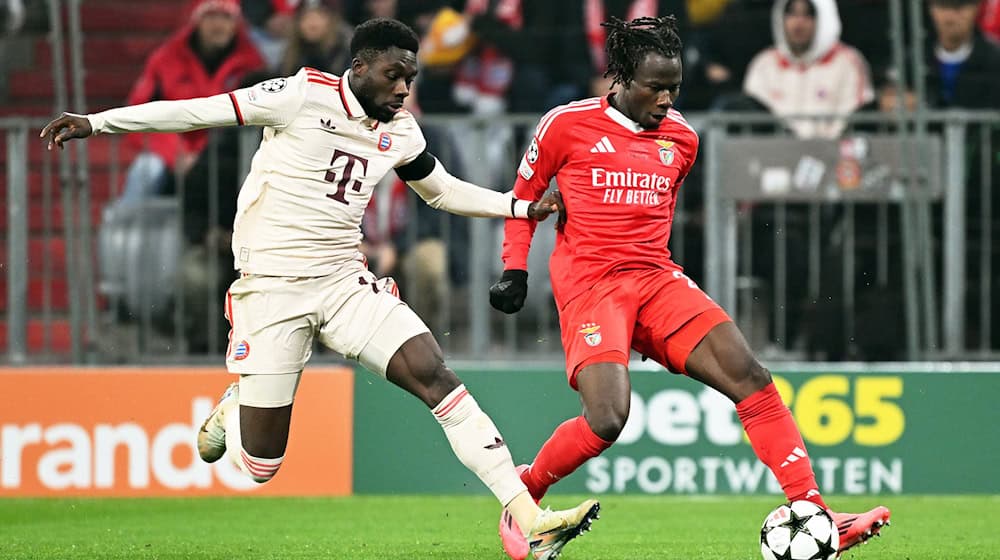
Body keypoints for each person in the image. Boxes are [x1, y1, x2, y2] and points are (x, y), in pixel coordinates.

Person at [41, 17, 599, 560]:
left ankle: (530, 519)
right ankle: (235, 406)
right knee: (260, 466)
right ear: (360, 67)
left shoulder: (401, 130)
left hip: (342, 280)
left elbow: (441, 191)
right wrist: (97, 122)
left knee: (435, 375)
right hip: (273, 288)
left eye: (411, 77)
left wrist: (520, 205)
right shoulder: (301, 94)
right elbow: (197, 112)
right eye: (393, 75)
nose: (403, 88)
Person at [489, 15, 890, 560]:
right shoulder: (564, 124)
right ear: (623, 78)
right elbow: (522, 200)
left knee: (750, 374)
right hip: (592, 284)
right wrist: (515, 268)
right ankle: (527, 496)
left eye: (674, 87)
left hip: (655, 277)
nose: (666, 98)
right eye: (655, 86)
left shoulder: (682, 139)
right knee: (608, 418)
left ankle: (814, 511)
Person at [116, 0, 264, 205]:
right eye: (211, 16)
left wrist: (206, 157)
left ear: (236, 22)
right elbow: (136, 114)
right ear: (197, 20)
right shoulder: (166, 59)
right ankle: (127, 235)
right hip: (172, 155)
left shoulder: (252, 63)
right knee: (146, 170)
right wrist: (176, 153)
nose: (218, 25)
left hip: (226, 157)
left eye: (226, 17)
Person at [742, 0, 874, 139]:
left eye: (808, 15)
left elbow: (854, 117)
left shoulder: (848, 62)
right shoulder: (764, 65)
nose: (799, 23)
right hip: (776, 156)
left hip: (831, 155)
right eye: (792, 13)